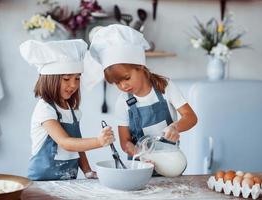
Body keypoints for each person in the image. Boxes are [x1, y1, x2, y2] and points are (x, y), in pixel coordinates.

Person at [84, 24, 197, 159]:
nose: (123, 86)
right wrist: (140, 154)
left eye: (126, 78)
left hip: (170, 160)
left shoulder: (165, 87)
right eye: (117, 83)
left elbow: (190, 117)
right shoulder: (123, 102)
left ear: (140, 66)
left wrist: (175, 127)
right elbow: (125, 142)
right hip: (140, 165)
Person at [19, 39, 115, 181]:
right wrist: (98, 141)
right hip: (42, 183)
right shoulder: (45, 109)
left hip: (68, 180)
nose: (73, 85)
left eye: (77, 78)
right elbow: (66, 142)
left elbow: (77, 144)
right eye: (66, 78)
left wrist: (87, 171)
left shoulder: (72, 109)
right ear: (49, 79)